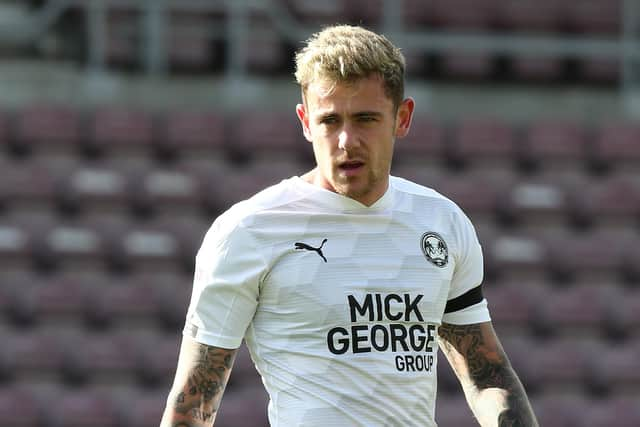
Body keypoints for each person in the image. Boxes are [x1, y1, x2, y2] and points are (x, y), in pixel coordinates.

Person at [161, 24, 538, 427]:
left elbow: (485, 374)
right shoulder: (249, 231)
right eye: (329, 121)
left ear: (402, 118)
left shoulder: (441, 222)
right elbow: (194, 403)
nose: (346, 141)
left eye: (365, 119)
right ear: (306, 122)